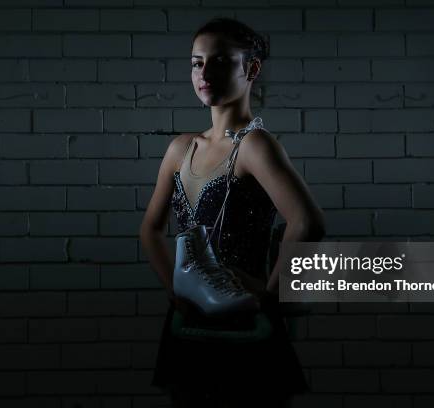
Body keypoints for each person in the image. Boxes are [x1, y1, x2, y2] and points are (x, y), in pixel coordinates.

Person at [139, 17, 325, 408]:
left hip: (244, 323)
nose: (204, 73)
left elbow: (307, 222)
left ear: (251, 68)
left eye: (220, 61)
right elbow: (150, 230)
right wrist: (176, 292)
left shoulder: (255, 146)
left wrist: (270, 296)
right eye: (196, 62)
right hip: (189, 322)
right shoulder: (180, 148)